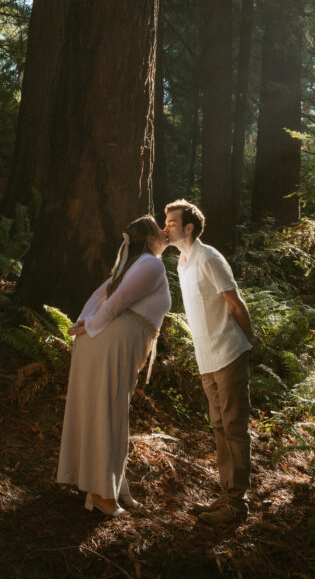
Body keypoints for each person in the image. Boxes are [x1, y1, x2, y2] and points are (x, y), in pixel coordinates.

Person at [56, 215, 170, 518]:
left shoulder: (134, 265)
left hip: (106, 342)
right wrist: (90, 326)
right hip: (110, 343)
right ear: (149, 239)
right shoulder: (151, 264)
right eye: (160, 228)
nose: (164, 230)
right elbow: (117, 300)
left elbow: (99, 295)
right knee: (109, 413)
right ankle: (101, 495)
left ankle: (111, 485)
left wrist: (85, 323)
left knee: (108, 411)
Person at [164, 199, 258, 526]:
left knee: (234, 427)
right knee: (219, 427)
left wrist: (250, 339)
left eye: (172, 223)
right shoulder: (182, 263)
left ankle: (237, 504)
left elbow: (234, 303)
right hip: (207, 359)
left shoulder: (209, 258)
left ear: (189, 228)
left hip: (229, 353)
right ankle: (227, 494)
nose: (166, 228)